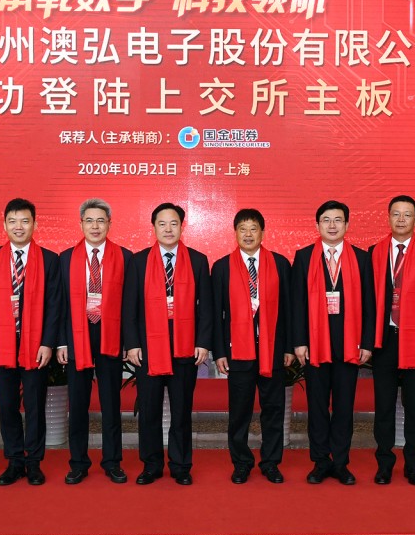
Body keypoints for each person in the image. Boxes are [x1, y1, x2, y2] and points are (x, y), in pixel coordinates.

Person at [291, 200, 376, 486]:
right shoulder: (304, 257)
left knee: (343, 407)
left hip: (349, 346)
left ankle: (340, 462)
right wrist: (299, 342)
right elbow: (297, 303)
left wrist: (367, 343)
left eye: (338, 220)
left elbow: (370, 304)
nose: (332, 225)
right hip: (314, 346)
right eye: (326, 220)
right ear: (317, 225)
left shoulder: (361, 259)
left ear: (347, 225)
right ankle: (320, 462)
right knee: (316, 407)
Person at [128, 202, 213, 485]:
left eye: (173, 223)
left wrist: (203, 342)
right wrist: (132, 344)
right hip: (148, 349)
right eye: (162, 224)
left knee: (181, 410)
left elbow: (206, 307)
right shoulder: (138, 261)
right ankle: (151, 465)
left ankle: (180, 466)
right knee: (149, 411)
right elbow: (130, 307)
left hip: (185, 347)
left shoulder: (198, 261)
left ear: (182, 226)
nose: (168, 229)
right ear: (153, 227)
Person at [56, 198, 138, 485]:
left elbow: (130, 304)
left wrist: (129, 341)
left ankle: (112, 461)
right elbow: (60, 304)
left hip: (111, 336)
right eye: (89, 220)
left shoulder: (125, 257)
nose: (95, 226)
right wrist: (61, 343)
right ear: (81, 224)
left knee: (110, 403)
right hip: (76, 337)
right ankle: (78, 463)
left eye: (100, 221)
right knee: (77, 404)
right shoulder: (65, 258)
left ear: (109, 224)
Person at [0, 198, 62, 486]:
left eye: (25, 221)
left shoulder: (49, 259)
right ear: (4, 225)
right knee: (7, 405)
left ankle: (34, 462)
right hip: (1, 344)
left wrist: (48, 343)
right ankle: (14, 461)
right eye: (13, 221)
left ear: (34, 225)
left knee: (35, 404)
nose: (19, 227)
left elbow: (54, 305)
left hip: (35, 344)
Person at [212, 208, 293, 484]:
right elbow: (216, 314)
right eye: (243, 229)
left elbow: (289, 310)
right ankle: (241, 463)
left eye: (254, 228)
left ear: (263, 232)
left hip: (273, 350)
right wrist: (219, 352)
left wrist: (289, 347)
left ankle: (271, 463)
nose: (248, 234)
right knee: (239, 412)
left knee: (274, 410)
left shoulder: (280, 264)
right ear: (235, 233)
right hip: (238, 351)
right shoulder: (222, 267)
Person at [367, 196, 415, 486]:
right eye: (396, 214)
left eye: (407, 215)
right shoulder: (375, 252)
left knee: (414, 407)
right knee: (384, 407)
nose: (401, 220)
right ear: (388, 217)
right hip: (385, 341)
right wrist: (367, 342)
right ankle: (384, 464)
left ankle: (413, 465)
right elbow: (367, 303)